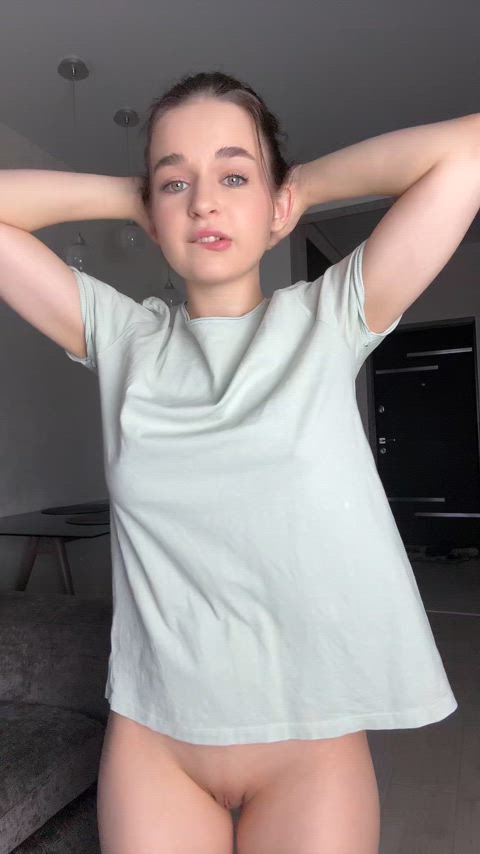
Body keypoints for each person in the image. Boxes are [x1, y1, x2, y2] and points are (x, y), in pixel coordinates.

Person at [0, 70, 458, 854]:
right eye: (176, 182)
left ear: (276, 204)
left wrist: (301, 187)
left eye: (234, 176)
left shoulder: (329, 318)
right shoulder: (124, 339)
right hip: (157, 745)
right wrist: (134, 196)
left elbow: (467, 154)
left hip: (309, 740)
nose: (203, 203)